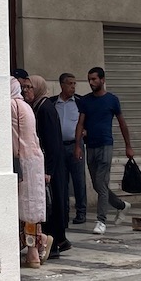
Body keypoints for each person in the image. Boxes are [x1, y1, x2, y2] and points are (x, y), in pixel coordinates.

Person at [76, 66, 134, 234]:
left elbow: (122, 123)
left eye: (94, 79)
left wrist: (128, 145)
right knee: (97, 184)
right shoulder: (85, 101)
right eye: (89, 80)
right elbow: (80, 123)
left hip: (106, 145)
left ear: (102, 80)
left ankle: (101, 220)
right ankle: (121, 206)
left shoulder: (112, 100)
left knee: (101, 183)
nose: (91, 82)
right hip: (90, 146)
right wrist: (78, 145)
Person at [28, 74, 68, 255]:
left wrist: (49, 170)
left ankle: (56, 243)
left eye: (30, 87)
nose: (26, 91)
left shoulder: (45, 109)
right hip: (49, 164)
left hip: (52, 166)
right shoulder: (39, 106)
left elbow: (51, 142)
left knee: (53, 204)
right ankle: (59, 240)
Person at [12, 76, 47, 267]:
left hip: (22, 161)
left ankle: (33, 251)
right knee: (32, 208)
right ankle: (37, 247)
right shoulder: (26, 106)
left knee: (23, 207)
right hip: (35, 160)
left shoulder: (11, 106)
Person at [55, 72, 87, 225]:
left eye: (74, 83)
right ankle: (64, 213)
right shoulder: (54, 102)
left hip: (76, 145)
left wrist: (83, 136)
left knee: (79, 180)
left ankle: (81, 212)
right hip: (59, 146)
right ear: (62, 85)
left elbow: (87, 122)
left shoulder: (80, 102)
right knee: (62, 181)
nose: (73, 87)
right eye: (70, 83)